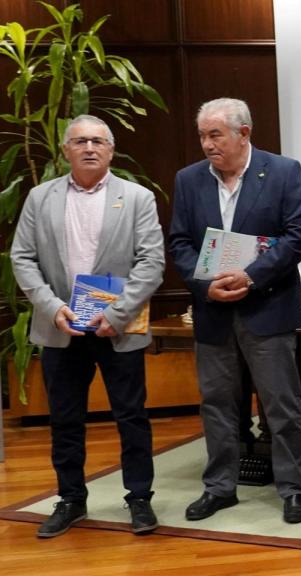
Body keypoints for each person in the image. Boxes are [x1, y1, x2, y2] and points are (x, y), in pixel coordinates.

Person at [11, 114, 165, 537]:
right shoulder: (40, 198)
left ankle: (139, 499)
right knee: (64, 418)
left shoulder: (136, 198)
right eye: (80, 141)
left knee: (132, 416)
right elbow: (22, 257)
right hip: (60, 326)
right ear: (66, 151)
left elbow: (152, 264)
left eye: (98, 140)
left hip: (118, 327)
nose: (90, 147)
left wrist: (115, 315)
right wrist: (51, 306)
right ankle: (71, 499)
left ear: (112, 150)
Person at [168, 97, 301, 524]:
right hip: (213, 312)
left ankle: (292, 488)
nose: (208, 144)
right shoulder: (189, 179)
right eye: (203, 136)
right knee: (216, 405)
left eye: (216, 135)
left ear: (243, 133)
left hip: (267, 307)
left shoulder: (283, 171)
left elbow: (297, 235)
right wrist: (204, 285)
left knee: (281, 405)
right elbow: (179, 243)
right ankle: (220, 487)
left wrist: (250, 276)